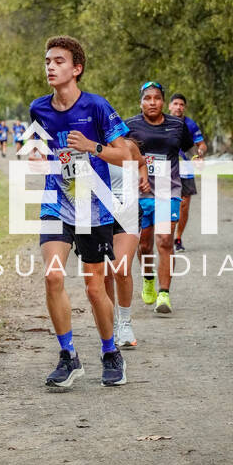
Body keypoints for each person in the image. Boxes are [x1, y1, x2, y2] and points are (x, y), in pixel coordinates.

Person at [29, 35, 131, 388]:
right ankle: (68, 356)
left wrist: (92, 146)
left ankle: (110, 352)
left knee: (93, 287)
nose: (50, 67)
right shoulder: (38, 108)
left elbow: (126, 155)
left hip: (93, 208)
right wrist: (39, 157)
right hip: (56, 203)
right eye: (47, 61)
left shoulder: (97, 106)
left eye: (58, 61)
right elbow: (41, 148)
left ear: (77, 69)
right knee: (53, 277)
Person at [126, 82, 194, 313]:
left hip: (168, 190)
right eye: (147, 98)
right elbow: (119, 153)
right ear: (140, 102)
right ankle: (148, 279)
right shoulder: (130, 126)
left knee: (164, 240)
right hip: (140, 192)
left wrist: (197, 158)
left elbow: (188, 148)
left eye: (156, 98)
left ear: (163, 102)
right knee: (144, 244)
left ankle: (164, 294)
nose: (152, 102)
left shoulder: (177, 125)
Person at [104, 138, 150, 348]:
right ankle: (110, 323)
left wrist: (143, 177)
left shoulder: (128, 146)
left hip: (128, 212)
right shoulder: (84, 146)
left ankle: (125, 322)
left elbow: (141, 162)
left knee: (121, 269)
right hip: (97, 213)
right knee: (104, 274)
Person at [169, 93, 207, 251]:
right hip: (166, 169)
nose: (179, 107)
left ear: (184, 107)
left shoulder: (190, 124)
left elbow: (201, 144)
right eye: (176, 104)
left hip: (186, 168)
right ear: (169, 106)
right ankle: (165, 237)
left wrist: (200, 153)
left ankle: (178, 238)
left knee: (184, 205)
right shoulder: (162, 122)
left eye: (182, 105)